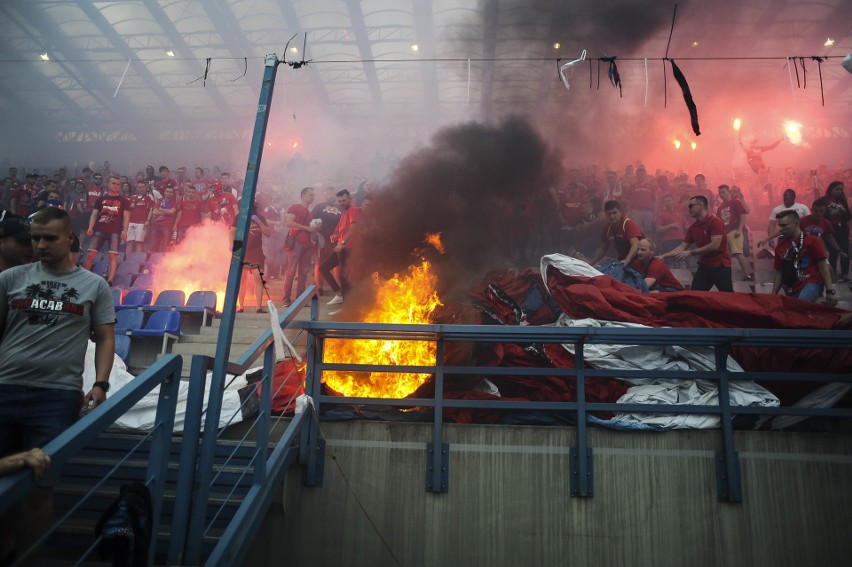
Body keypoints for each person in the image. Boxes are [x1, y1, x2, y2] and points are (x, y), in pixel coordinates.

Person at [0, 207, 115, 564]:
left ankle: (29, 560)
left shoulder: (95, 285)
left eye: (49, 238)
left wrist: (100, 383)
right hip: (4, 387)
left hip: (56, 396)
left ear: (69, 239)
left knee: (39, 486)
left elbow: (105, 337)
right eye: (35, 238)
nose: (39, 245)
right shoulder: (11, 278)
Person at [659, 195, 733, 292]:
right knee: (695, 295)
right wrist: (664, 256)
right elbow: (682, 247)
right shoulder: (693, 227)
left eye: (691, 206)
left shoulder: (715, 221)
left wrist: (692, 252)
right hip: (705, 266)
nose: (688, 209)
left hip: (720, 266)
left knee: (727, 296)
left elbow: (715, 245)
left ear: (701, 205)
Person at [772, 209, 838, 305]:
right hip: (792, 287)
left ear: (796, 223)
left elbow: (823, 267)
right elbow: (779, 273)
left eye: (784, 225)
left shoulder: (813, 241)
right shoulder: (780, 246)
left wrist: (829, 291)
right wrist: (774, 294)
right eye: (779, 225)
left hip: (812, 283)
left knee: (802, 303)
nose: (781, 229)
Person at [83, 175, 130, 284]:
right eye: (114, 183)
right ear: (108, 184)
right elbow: (94, 214)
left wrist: (125, 231)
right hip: (99, 230)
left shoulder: (123, 200)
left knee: (112, 256)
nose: (116, 186)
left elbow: (127, 217)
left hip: (115, 232)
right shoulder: (100, 199)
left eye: (118, 184)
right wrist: (90, 227)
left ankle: (110, 280)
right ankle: (84, 278)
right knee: (90, 254)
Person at [319, 189, 360, 306]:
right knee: (323, 268)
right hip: (340, 248)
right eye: (340, 201)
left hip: (348, 248)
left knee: (344, 277)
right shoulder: (344, 213)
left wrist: (342, 242)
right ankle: (339, 294)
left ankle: (347, 307)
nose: (341, 203)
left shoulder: (353, 210)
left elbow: (354, 228)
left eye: (344, 200)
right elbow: (340, 230)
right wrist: (335, 236)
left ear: (350, 199)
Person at [282, 187, 319, 307]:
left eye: (313, 195)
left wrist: (313, 229)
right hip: (297, 242)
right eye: (310, 195)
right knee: (291, 271)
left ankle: (300, 299)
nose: (312, 197)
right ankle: (286, 298)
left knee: (303, 273)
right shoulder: (295, 207)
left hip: (306, 244)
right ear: (303, 195)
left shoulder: (309, 212)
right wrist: (307, 228)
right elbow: (289, 222)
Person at [587, 200, 643, 268]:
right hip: (622, 260)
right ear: (605, 214)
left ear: (620, 212)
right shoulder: (606, 229)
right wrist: (590, 264)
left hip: (639, 259)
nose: (612, 216)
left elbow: (635, 244)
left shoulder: (628, 223)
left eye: (614, 212)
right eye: (609, 213)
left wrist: (627, 260)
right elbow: (603, 249)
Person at [238, 206, 272, 313]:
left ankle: (258, 307)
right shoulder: (239, 217)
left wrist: (259, 222)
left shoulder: (260, 218)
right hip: (243, 251)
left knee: (258, 278)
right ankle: (241, 306)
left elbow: (268, 233)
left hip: (257, 252)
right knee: (242, 280)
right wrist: (234, 248)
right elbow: (232, 232)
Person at [716, 184, 754, 281]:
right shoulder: (720, 208)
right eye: (720, 192)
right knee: (726, 255)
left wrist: (739, 229)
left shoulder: (735, 202)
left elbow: (742, 216)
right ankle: (726, 276)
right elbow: (719, 222)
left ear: (728, 192)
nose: (721, 194)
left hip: (734, 232)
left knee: (738, 253)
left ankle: (748, 275)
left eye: (723, 192)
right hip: (725, 233)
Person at [310, 186, 343, 295]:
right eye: (329, 193)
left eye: (333, 193)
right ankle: (319, 287)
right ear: (325, 194)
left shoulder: (341, 207)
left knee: (336, 263)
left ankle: (337, 285)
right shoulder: (319, 206)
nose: (331, 195)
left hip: (336, 239)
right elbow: (311, 220)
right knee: (319, 263)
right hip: (321, 238)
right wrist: (315, 233)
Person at [824, 181, 850, 282]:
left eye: (841, 189)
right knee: (833, 251)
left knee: (845, 251)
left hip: (842, 229)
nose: (839, 191)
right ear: (831, 189)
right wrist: (832, 213)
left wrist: (843, 211)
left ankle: (844, 274)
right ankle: (832, 274)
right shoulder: (824, 200)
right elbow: (823, 215)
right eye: (837, 189)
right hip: (830, 230)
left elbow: (848, 217)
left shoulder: (842, 201)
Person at [125, 180, 154, 255]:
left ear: (146, 187)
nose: (141, 188)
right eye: (139, 187)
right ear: (136, 187)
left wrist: (148, 220)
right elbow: (127, 211)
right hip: (130, 222)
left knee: (139, 243)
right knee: (129, 242)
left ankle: (137, 263)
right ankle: (128, 262)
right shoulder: (132, 198)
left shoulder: (149, 197)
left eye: (143, 187)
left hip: (141, 223)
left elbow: (151, 209)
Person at [146, 185, 177, 253]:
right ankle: (153, 262)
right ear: (164, 192)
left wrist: (161, 210)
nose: (169, 193)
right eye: (167, 191)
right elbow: (154, 212)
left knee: (165, 246)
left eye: (171, 192)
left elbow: (172, 211)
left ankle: (163, 262)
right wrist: (167, 212)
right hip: (157, 225)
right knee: (153, 246)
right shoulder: (159, 202)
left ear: (173, 193)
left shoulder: (174, 203)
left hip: (167, 226)